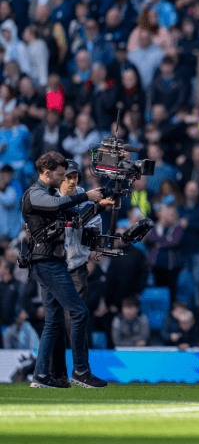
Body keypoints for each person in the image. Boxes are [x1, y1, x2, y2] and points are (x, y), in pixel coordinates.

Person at [21, 152, 106, 389]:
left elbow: (76, 219)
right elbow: (58, 204)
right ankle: (80, 371)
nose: (63, 180)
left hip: (49, 262)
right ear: (47, 173)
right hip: (47, 262)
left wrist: (99, 206)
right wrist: (86, 195)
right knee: (79, 312)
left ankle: (41, 375)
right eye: (60, 175)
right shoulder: (35, 194)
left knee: (53, 321)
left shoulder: (46, 194)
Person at [48, 160, 112, 383]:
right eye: (69, 177)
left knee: (77, 319)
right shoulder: (50, 197)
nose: (73, 181)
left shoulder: (89, 197)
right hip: (53, 265)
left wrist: (85, 221)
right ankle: (55, 373)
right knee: (53, 320)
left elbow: (94, 229)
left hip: (75, 267)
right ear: (60, 178)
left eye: (76, 177)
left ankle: (81, 371)